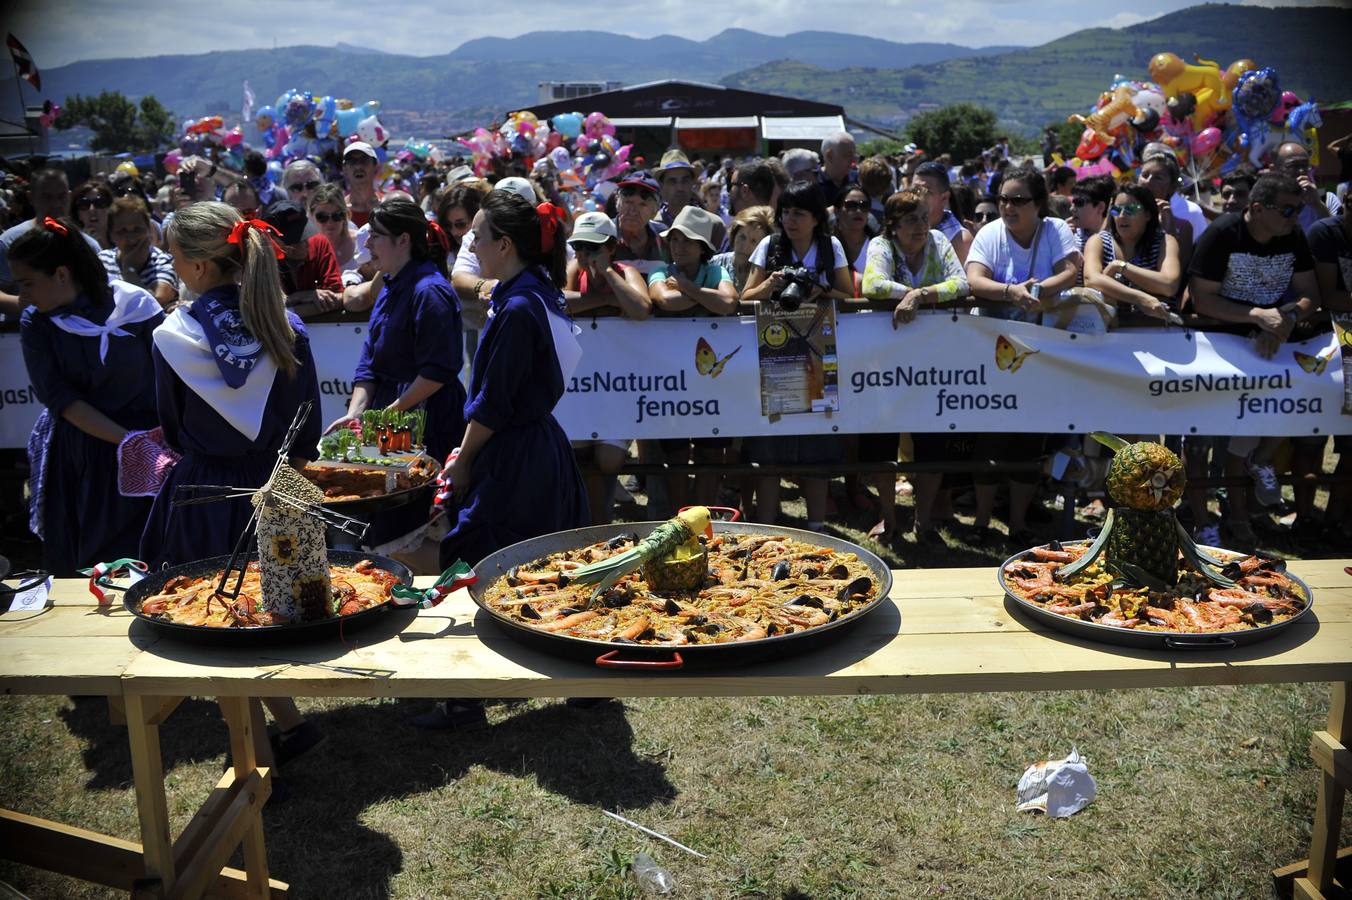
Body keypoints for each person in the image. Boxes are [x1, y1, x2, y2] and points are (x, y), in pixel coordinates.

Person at [438, 189, 586, 596]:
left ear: (504, 245)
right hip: (535, 448)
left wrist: (463, 459)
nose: (471, 244)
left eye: (477, 235)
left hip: (516, 459)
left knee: (499, 571)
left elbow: (494, 401)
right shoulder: (536, 292)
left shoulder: (520, 307)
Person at [15, 217, 164, 574]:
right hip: (87, 456)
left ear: (62, 274)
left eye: (28, 283)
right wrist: (128, 441)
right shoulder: (37, 324)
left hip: (152, 447)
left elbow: (170, 378)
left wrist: (157, 443)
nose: (22, 295)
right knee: (95, 562)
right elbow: (61, 399)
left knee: (153, 555)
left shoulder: (137, 307)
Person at [1189, 172, 1322, 547]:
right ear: (1259, 209)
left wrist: (1287, 317)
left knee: (1244, 443)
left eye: (1298, 209)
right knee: (1198, 442)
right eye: (1287, 209)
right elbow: (1202, 299)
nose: (1295, 216)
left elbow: (1310, 293)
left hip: (1269, 347)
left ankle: (1240, 518)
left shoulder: (1292, 235)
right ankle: (1203, 521)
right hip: (1217, 348)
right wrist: (1256, 315)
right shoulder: (1222, 234)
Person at [964, 166, 1079, 545]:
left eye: (1018, 200)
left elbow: (1071, 271)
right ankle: (981, 522)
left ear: (1039, 204)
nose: (1008, 207)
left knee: (1030, 441)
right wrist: (1011, 292)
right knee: (988, 440)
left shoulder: (1055, 230)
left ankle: (1017, 524)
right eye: (1002, 199)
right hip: (992, 352)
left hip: (1040, 353)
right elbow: (975, 279)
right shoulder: (990, 233)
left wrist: (1042, 289)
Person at [741, 180, 855, 529]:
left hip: (819, 353)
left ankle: (817, 525)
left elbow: (849, 295)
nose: (791, 220)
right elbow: (746, 296)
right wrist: (772, 285)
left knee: (817, 441)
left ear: (817, 218)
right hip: (774, 354)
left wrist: (822, 290)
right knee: (769, 445)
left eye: (799, 213)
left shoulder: (829, 246)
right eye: (786, 212)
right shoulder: (769, 245)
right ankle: (767, 524)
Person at [860, 186, 969, 543]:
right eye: (911, 220)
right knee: (883, 439)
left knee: (931, 439)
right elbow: (873, 284)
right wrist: (908, 294)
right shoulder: (881, 246)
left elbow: (962, 282)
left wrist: (920, 294)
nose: (921, 226)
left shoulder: (939, 240)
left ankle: (924, 521)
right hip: (886, 361)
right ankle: (888, 518)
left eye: (924, 217)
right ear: (892, 225)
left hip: (934, 361)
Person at [326, 198, 466, 464]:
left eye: (376, 236)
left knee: (422, 500)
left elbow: (437, 372)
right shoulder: (389, 284)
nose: (367, 244)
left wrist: (388, 414)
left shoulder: (429, 292)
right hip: (391, 416)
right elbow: (370, 362)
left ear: (403, 240)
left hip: (430, 419)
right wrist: (356, 414)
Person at [648, 206, 739, 512]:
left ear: (703, 248)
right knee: (675, 452)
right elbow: (663, 300)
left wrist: (687, 288)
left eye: (687, 240)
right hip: (671, 380)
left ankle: (706, 517)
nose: (679, 246)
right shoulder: (659, 271)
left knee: (711, 452)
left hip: (713, 381)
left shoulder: (716, 272)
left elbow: (728, 303)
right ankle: (680, 521)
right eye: (674, 240)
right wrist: (704, 294)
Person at [563, 211, 650, 524]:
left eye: (593, 247)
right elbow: (559, 301)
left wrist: (610, 277)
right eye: (580, 247)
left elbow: (640, 308)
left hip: (619, 385)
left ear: (611, 247)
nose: (585, 255)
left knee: (609, 458)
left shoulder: (627, 271)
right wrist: (608, 302)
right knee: (578, 451)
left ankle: (602, 519)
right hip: (583, 383)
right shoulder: (575, 269)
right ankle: (590, 523)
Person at [1, 170, 102, 316]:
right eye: (46, 197)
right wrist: (28, 306)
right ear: (31, 198)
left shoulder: (88, 246)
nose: (55, 204)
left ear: (69, 196)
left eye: (61, 197)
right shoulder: (10, 242)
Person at [1082, 184, 1182, 328]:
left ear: (1148, 215)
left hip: (1158, 331)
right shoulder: (1098, 241)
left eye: (1131, 209)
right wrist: (1140, 298)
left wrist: (1121, 267)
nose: (1122, 215)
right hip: (1110, 333)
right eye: (1116, 210)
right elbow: (1091, 279)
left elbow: (1169, 285)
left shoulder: (1165, 242)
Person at [261, 200, 344, 316]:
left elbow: (335, 296)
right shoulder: (262, 256)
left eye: (305, 233)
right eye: (294, 239)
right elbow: (265, 307)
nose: (304, 244)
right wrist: (301, 296)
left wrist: (289, 306)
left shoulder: (319, 242)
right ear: (273, 239)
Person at [98, 196, 180, 309]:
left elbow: (156, 302)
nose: (131, 238)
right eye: (122, 231)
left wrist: (129, 271)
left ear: (148, 229)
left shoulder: (163, 261)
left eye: (137, 229)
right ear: (111, 235)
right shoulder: (102, 260)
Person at [913, 161, 974, 263]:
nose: (916, 197)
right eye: (914, 190)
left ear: (944, 198)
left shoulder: (961, 241)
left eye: (926, 191)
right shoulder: (903, 228)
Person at [1274, 141, 1342, 232]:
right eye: (1293, 165)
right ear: (1276, 170)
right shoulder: (1268, 203)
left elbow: (1339, 236)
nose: (1301, 170)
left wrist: (1318, 205)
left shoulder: (1327, 199)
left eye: (1305, 165)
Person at [609, 170, 666, 277]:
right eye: (628, 202)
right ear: (617, 202)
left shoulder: (664, 236)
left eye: (642, 204)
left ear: (655, 210)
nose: (633, 211)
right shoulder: (602, 233)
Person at [711, 204, 774, 293]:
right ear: (734, 235)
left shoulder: (767, 274)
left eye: (754, 241)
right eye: (742, 237)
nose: (745, 246)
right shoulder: (714, 264)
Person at [306, 184, 359, 279]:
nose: (330, 223)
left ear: (345, 215)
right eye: (322, 217)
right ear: (311, 215)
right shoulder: (304, 249)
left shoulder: (361, 242)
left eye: (337, 216)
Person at [833, 184, 875, 279]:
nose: (858, 210)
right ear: (836, 211)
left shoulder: (878, 246)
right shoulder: (826, 244)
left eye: (864, 205)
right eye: (851, 205)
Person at [342, 141, 382, 228]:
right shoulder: (337, 212)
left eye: (364, 161)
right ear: (344, 169)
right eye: (352, 162)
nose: (358, 166)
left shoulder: (387, 205)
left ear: (375, 167)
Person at [71, 181, 114, 250]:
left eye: (99, 203)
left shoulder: (122, 243)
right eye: (84, 204)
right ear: (78, 214)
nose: (92, 209)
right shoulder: (72, 247)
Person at [818, 131, 858, 199]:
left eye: (854, 155)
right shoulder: (813, 186)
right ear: (830, 156)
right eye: (848, 155)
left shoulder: (858, 180)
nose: (853, 161)